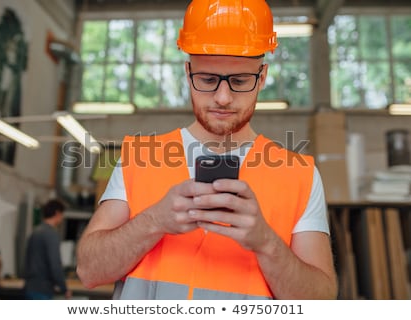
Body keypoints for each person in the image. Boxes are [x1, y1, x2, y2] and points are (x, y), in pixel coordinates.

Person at [76, 0, 338, 300]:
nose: (223, 98)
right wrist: (155, 220)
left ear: (262, 77)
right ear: (188, 73)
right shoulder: (139, 158)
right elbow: (89, 270)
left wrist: (267, 243)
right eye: (208, 80)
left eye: (239, 81)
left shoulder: (299, 176)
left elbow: (320, 301)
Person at [23, 199, 72, 299]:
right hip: (42, 290)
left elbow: (27, 260)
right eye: (62, 214)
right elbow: (55, 264)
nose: (62, 218)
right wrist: (64, 288)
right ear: (57, 213)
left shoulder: (35, 232)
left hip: (29, 287)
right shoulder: (51, 234)